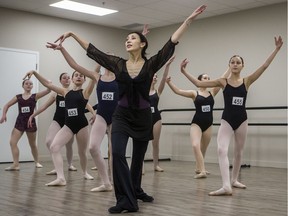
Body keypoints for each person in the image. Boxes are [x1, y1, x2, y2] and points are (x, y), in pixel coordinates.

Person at [48, 4, 207, 213]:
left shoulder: (151, 64)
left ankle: (136, 190)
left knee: (138, 159)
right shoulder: (118, 64)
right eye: (126, 39)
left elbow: (172, 42)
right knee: (118, 153)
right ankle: (125, 199)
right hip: (121, 115)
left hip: (142, 117)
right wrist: (72, 34)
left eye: (132, 38)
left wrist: (189, 19)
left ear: (142, 44)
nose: (128, 41)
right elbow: (92, 51)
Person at [180, 36, 283, 195]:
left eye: (238, 62)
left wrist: (276, 49)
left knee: (239, 152)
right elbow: (199, 84)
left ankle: (234, 180)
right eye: (232, 62)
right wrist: (184, 71)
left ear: (242, 66)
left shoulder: (247, 81)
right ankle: (226, 185)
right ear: (229, 65)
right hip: (227, 120)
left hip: (242, 120)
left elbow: (264, 66)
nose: (235, 64)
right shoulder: (223, 82)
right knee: (222, 150)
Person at [46, 45, 117, 192]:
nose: (107, 60)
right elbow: (74, 65)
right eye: (105, 58)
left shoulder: (121, 77)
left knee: (114, 152)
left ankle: (116, 182)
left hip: (117, 117)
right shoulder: (97, 77)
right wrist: (62, 49)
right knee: (92, 147)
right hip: (101, 117)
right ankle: (106, 183)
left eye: (110, 58)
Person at [24, 70, 95, 186]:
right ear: (72, 79)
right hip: (68, 125)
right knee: (54, 146)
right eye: (76, 75)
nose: (78, 77)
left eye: (81, 76)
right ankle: (61, 178)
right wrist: (35, 73)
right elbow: (48, 85)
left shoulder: (85, 92)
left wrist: (94, 114)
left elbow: (93, 76)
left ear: (84, 80)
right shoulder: (65, 92)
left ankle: (85, 172)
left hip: (82, 125)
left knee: (82, 152)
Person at [166, 59, 230, 179]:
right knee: (196, 145)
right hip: (197, 123)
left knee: (203, 148)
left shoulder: (212, 92)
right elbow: (178, 91)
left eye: (208, 77)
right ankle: (203, 171)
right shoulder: (194, 93)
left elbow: (222, 78)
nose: (207, 79)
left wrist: (229, 68)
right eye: (205, 78)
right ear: (200, 80)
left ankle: (198, 168)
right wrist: (169, 83)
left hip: (209, 124)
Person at [27, 72, 77, 175]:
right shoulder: (55, 93)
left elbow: (83, 107)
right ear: (60, 80)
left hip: (70, 121)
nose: (67, 79)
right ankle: (57, 166)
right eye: (64, 78)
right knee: (49, 141)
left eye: (68, 78)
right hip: (57, 120)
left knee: (69, 145)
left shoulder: (74, 92)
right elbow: (44, 106)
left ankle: (70, 164)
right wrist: (33, 115)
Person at [0, 78, 50, 171]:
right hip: (20, 122)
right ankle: (16, 164)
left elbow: (48, 90)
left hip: (30, 123)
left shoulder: (35, 96)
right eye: (26, 83)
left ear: (32, 86)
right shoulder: (18, 97)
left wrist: (48, 82)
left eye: (30, 84)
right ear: (23, 86)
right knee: (12, 142)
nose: (28, 85)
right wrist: (3, 115)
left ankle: (37, 162)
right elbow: (6, 105)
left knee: (32, 144)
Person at [148, 55, 175, 172]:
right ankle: (140, 166)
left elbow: (164, 78)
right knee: (142, 142)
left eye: (156, 76)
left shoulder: (157, 92)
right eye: (153, 76)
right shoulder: (142, 92)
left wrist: (167, 65)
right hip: (144, 118)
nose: (155, 78)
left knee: (155, 143)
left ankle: (156, 165)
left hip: (156, 118)